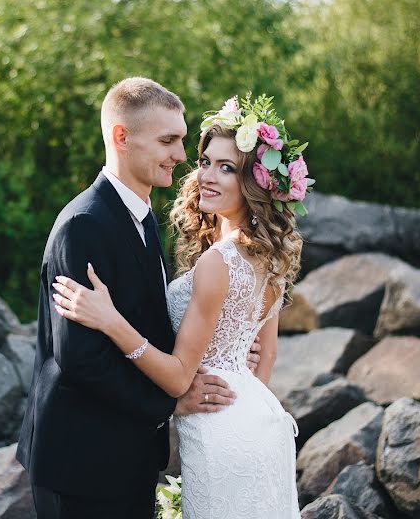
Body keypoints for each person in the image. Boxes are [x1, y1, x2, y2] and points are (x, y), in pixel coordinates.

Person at [52, 93, 311, 518]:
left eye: (226, 167)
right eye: (206, 161)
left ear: (255, 183)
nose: (205, 174)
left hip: (218, 429)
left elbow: (178, 379)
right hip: (261, 419)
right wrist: (234, 373)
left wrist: (112, 320)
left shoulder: (217, 261)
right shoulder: (271, 255)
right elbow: (267, 354)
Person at [16, 78, 263, 519]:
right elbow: (81, 358)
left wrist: (219, 347)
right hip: (82, 463)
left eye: (183, 140)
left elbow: (148, 322)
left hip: (127, 457)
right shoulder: (84, 225)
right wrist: (170, 403)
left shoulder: (144, 216)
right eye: (168, 141)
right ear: (121, 137)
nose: (183, 157)